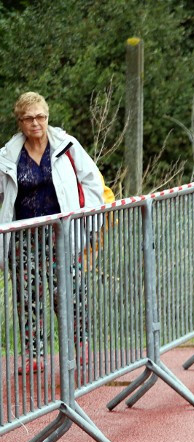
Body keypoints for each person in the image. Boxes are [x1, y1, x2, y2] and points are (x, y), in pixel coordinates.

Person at [0, 92, 104, 374]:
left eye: (41, 117)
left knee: (70, 292)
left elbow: (92, 181)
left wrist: (90, 223)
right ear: (20, 121)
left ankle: (79, 347)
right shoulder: (8, 156)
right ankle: (34, 355)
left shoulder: (67, 146)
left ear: (47, 117)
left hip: (61, 234)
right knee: (28, 297)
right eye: (29, 118)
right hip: (24, 238)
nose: (36, 123)